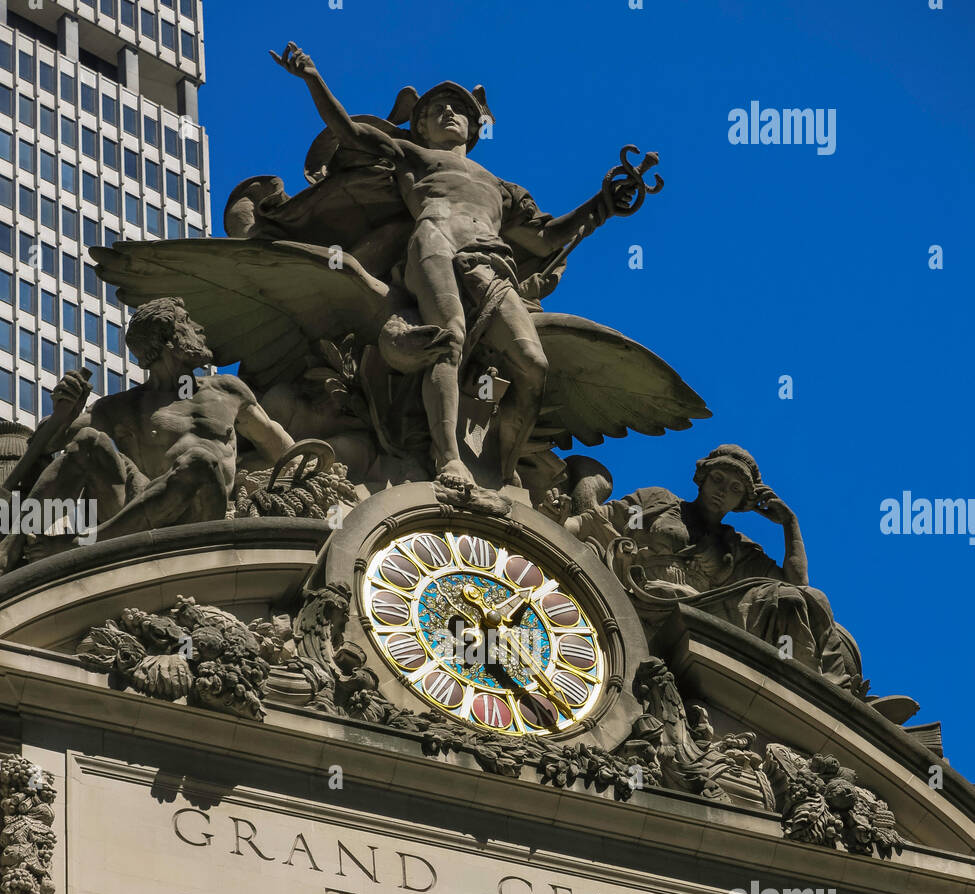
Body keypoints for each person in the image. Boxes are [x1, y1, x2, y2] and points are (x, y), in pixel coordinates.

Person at [271, 41, 635, 487]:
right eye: (435, 109)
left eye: (457, 108)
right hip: (434, 243)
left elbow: (545, 238)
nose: (447, 113)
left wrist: (600, 205)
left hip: (493, 264)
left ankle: (499, 469)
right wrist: (313, 78)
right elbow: (350, 133)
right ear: (419, 126)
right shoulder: (416, 157)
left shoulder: (502, 188)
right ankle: (448, 460)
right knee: (448, 340)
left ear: (475, 126)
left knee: (532, 364)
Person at [0, 298, 327, 573]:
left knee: (200, 460)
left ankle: (84, 544)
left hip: (201, 516)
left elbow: (283, 450)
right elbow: (51, 443)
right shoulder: (123, 406)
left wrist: (318, 469)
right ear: (168, 339)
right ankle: (14, 542)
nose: (200, 329)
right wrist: (66, 413)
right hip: (136, 510)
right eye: (187, 322)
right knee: (88, 441)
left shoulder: (227, 391)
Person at [549, 443, 857, 687]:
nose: (723, 491)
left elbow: (797, 583)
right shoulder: (659, 501)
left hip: (703, 613)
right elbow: (600, 520)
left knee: (804, 599)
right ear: (702, 477)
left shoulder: (736, 546)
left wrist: (789, 524)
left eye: (736, 489)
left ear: (742, 503)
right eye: (718, 479)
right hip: (647, 594)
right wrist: (558, 522)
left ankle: (819, 690)